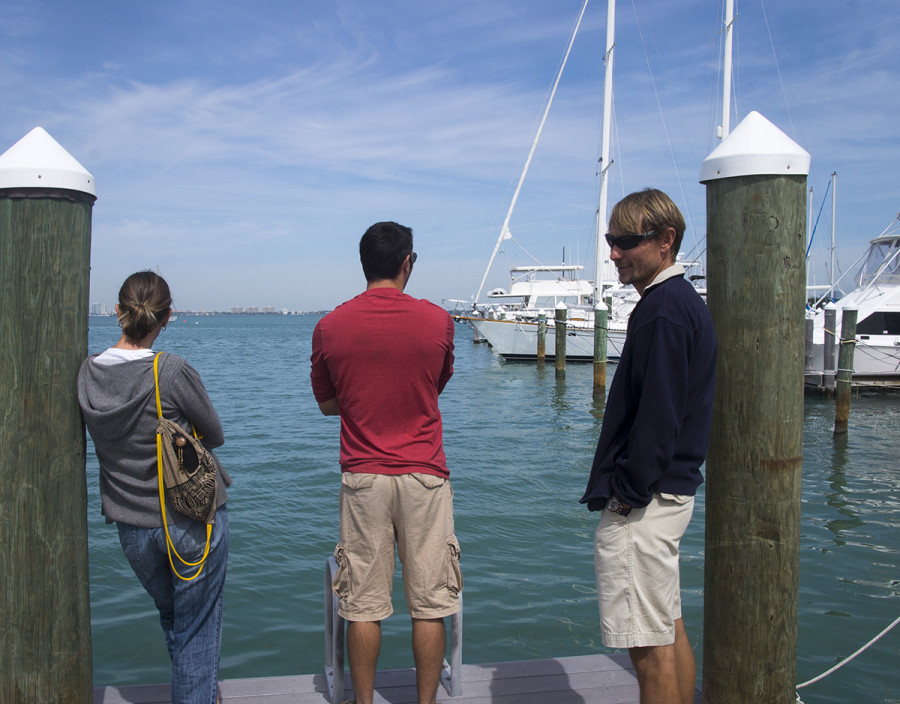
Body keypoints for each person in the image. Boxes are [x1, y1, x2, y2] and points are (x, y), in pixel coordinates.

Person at [310, 221, 462, 704]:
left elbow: (327, 404)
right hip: (425, 477)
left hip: (363, 478)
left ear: (363, 264)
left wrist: (361, 399)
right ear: (407, 263)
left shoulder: (330, 327)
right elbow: (433, 387)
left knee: (362, 606)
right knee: (430, 603)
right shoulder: (438, 322)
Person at [580, 189, 716, 704]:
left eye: (625, 242)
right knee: (666, 626)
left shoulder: (662, 311)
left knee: (647, 644)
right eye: (611, 241)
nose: (613, 252)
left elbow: (658, 420)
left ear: (665, 241)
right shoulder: (679, 305)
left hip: (647, 503)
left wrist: (625, 495)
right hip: (671, 495)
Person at [78, 271, 231, 704]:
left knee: (179, 624)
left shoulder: (88, 373)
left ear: (117, 311)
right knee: (196, 632)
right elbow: (215, 435)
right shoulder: (171, 369)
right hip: (189, 519)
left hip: (132, 529)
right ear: (166, 318)